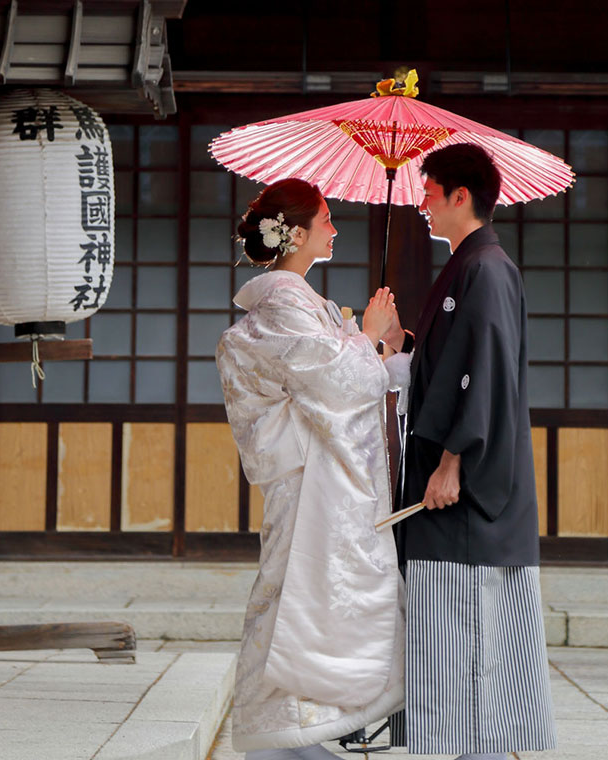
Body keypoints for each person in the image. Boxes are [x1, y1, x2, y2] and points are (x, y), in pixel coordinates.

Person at [216, 178, 411, 759]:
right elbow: (338, 382)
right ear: (295, 233)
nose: (334, 228)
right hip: (308, 486)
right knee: (297, 601)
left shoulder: (305, 305)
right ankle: (282, 735)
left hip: (321, 482)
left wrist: (382, 345)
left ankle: (312, 728)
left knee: (325, 601)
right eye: (326, 219)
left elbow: (345, 377)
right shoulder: (281, 306)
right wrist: (368, 338)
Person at [382, 143, 558, 760]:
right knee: (442, 640)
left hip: (466, 494)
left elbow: (481, 373)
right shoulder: (463, 267)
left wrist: (453, 460)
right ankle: (448, 750)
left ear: (462, 197)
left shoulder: (486, 268)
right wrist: (397, 347)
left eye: (428, 192)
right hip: (446, 489)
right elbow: (447, 369)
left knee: (468, 639)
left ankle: (469, 753)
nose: (421, 204)